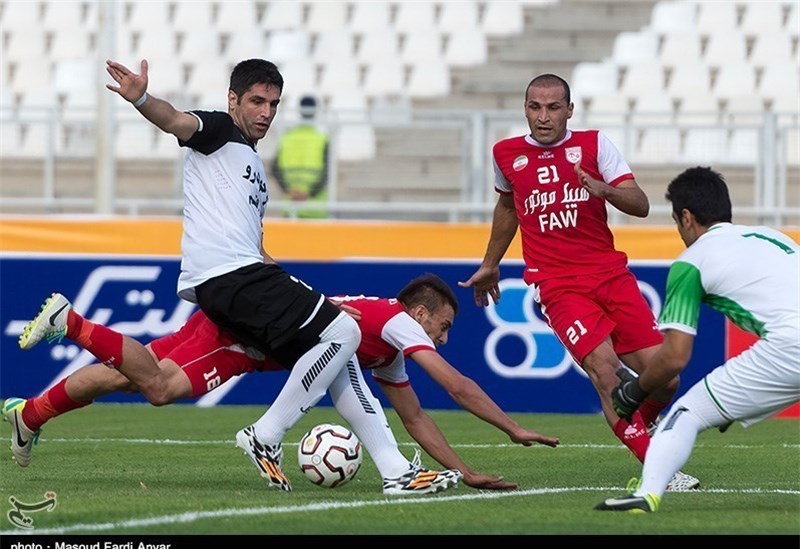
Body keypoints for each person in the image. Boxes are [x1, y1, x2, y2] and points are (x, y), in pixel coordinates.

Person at [8, 275, 558, 490]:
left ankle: (28, 416)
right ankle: (71, 322)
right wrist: (511, 428)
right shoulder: (393, 320)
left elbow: (413, 415)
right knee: (158, 387)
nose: (441, 339)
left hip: (250, 334)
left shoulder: (385, 343)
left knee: (123, 377)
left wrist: (465, 472)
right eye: (441, 327)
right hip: (245, 338)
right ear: (419, 312)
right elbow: (456, 385)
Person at [102, 58, 361, 492]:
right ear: (233, 100)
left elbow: (256, 246)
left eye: (274, 104)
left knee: (326, 347)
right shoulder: (219, 130)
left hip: (238, 276)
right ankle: (266, 435)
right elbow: (175, 121)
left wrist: (295, 290)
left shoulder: (254, 167)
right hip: (230, 276)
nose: (266, 112)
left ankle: (40, 405)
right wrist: (143, 99)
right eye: (257, 101)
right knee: (343, 335)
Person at [458, 73, 699, 490]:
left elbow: (640, 203)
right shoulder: (506, 153)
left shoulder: (594, 145)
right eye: (535, 107)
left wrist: (602, 188)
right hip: (559, 286)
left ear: (570, 110)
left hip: (611, 277)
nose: (544, 116)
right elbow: (508, 206)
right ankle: (660, 469)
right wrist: (491, 262)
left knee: (668, 377)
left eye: (553, 108)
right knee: (606, 374)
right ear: (525, 109)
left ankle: (637, 427)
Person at [594, 166, 800, 513]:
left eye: (676, 221)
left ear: (686, 218)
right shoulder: (772, 236)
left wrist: (636, 390)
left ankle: (646, 493)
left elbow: (674, 357)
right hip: (786, 347)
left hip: (788, 348)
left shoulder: (691, 262)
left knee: (687, 414)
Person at [271, 95, 330, 218]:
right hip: (315, 208)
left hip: (291, 205)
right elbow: (327, 172)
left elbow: (274, 168)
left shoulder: (287, 137)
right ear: (315, 110)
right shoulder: (322, 138)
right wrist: (308, 194)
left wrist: (289, 191)